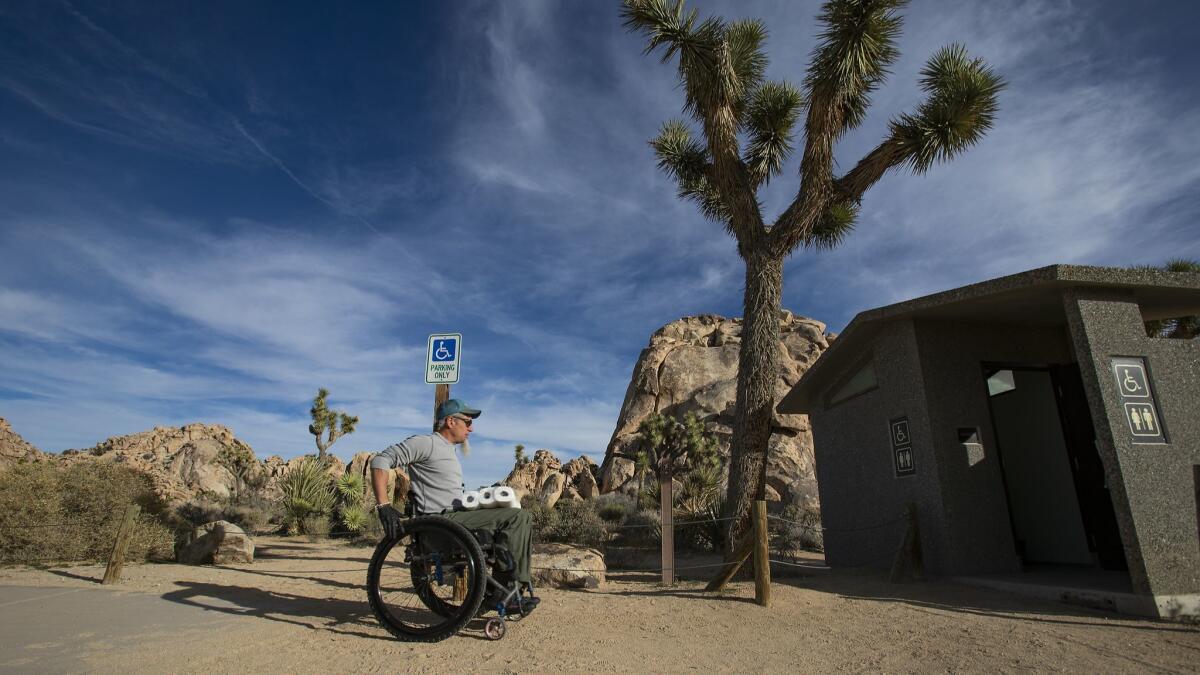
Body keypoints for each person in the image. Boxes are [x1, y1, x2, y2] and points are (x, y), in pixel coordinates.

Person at [369, 399, 537, 611]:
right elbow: (380, 461)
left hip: (454, 518)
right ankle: (505, 591)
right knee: (517, 517)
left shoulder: (447, 450)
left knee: (515, 514)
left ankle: (507, 589)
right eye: (467, 422)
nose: (471, 428)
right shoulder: (427, 443)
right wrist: (383, 506)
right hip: (442, 522)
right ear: (450, 421)